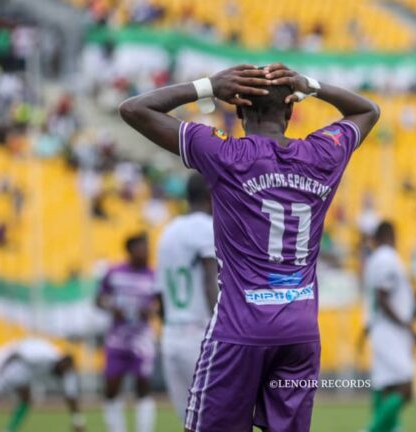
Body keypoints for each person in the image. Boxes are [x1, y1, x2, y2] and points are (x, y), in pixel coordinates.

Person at [119, 63, 380, 431]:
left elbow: (133, 109)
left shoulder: (225, 154)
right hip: (301, 330)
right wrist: (312, 86)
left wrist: (207, 86)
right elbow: (368, 110)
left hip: (240, 328)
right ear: (291, 109)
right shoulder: (323, 154)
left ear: (239, 108)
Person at [155, 173, 218, 421]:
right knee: (218, 420)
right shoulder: (206, 228)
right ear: (210, 194)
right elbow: (209, 280)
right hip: (200, 334)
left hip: (171, 335)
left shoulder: (167, 232)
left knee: (190, 422)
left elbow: (159, 294)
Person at [95, 233, 157, 432]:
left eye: (147, 248)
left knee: (143, 386)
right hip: (118, 339)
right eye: (142, 248)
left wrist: (151, 311)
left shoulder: (153, 275)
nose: (146, 252)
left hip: (142, 339)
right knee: (112, 388)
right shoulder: (114, 273)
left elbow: (160, 305)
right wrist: (113, 307)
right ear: (130, 251)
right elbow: (98, 300)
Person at [363, 221, 416, 432]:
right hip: (390, 332)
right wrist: (408, 327)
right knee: (406, 388)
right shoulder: (386, 258)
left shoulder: (376, 259)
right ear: (391, 235)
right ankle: (372, 430)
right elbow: (383, 297)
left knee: (385, 387)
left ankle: (392, 429)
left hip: (383, 330)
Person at [0, 338, 85, 432]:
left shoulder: (67, 374)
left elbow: (71, 398)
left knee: (27, 400)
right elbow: (11, 352)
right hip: (13, 369)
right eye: (63, 369)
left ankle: (9, 430)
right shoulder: (43, 354)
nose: (64, 373)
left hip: (27, 376)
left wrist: (77, 421)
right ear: (60, 362)